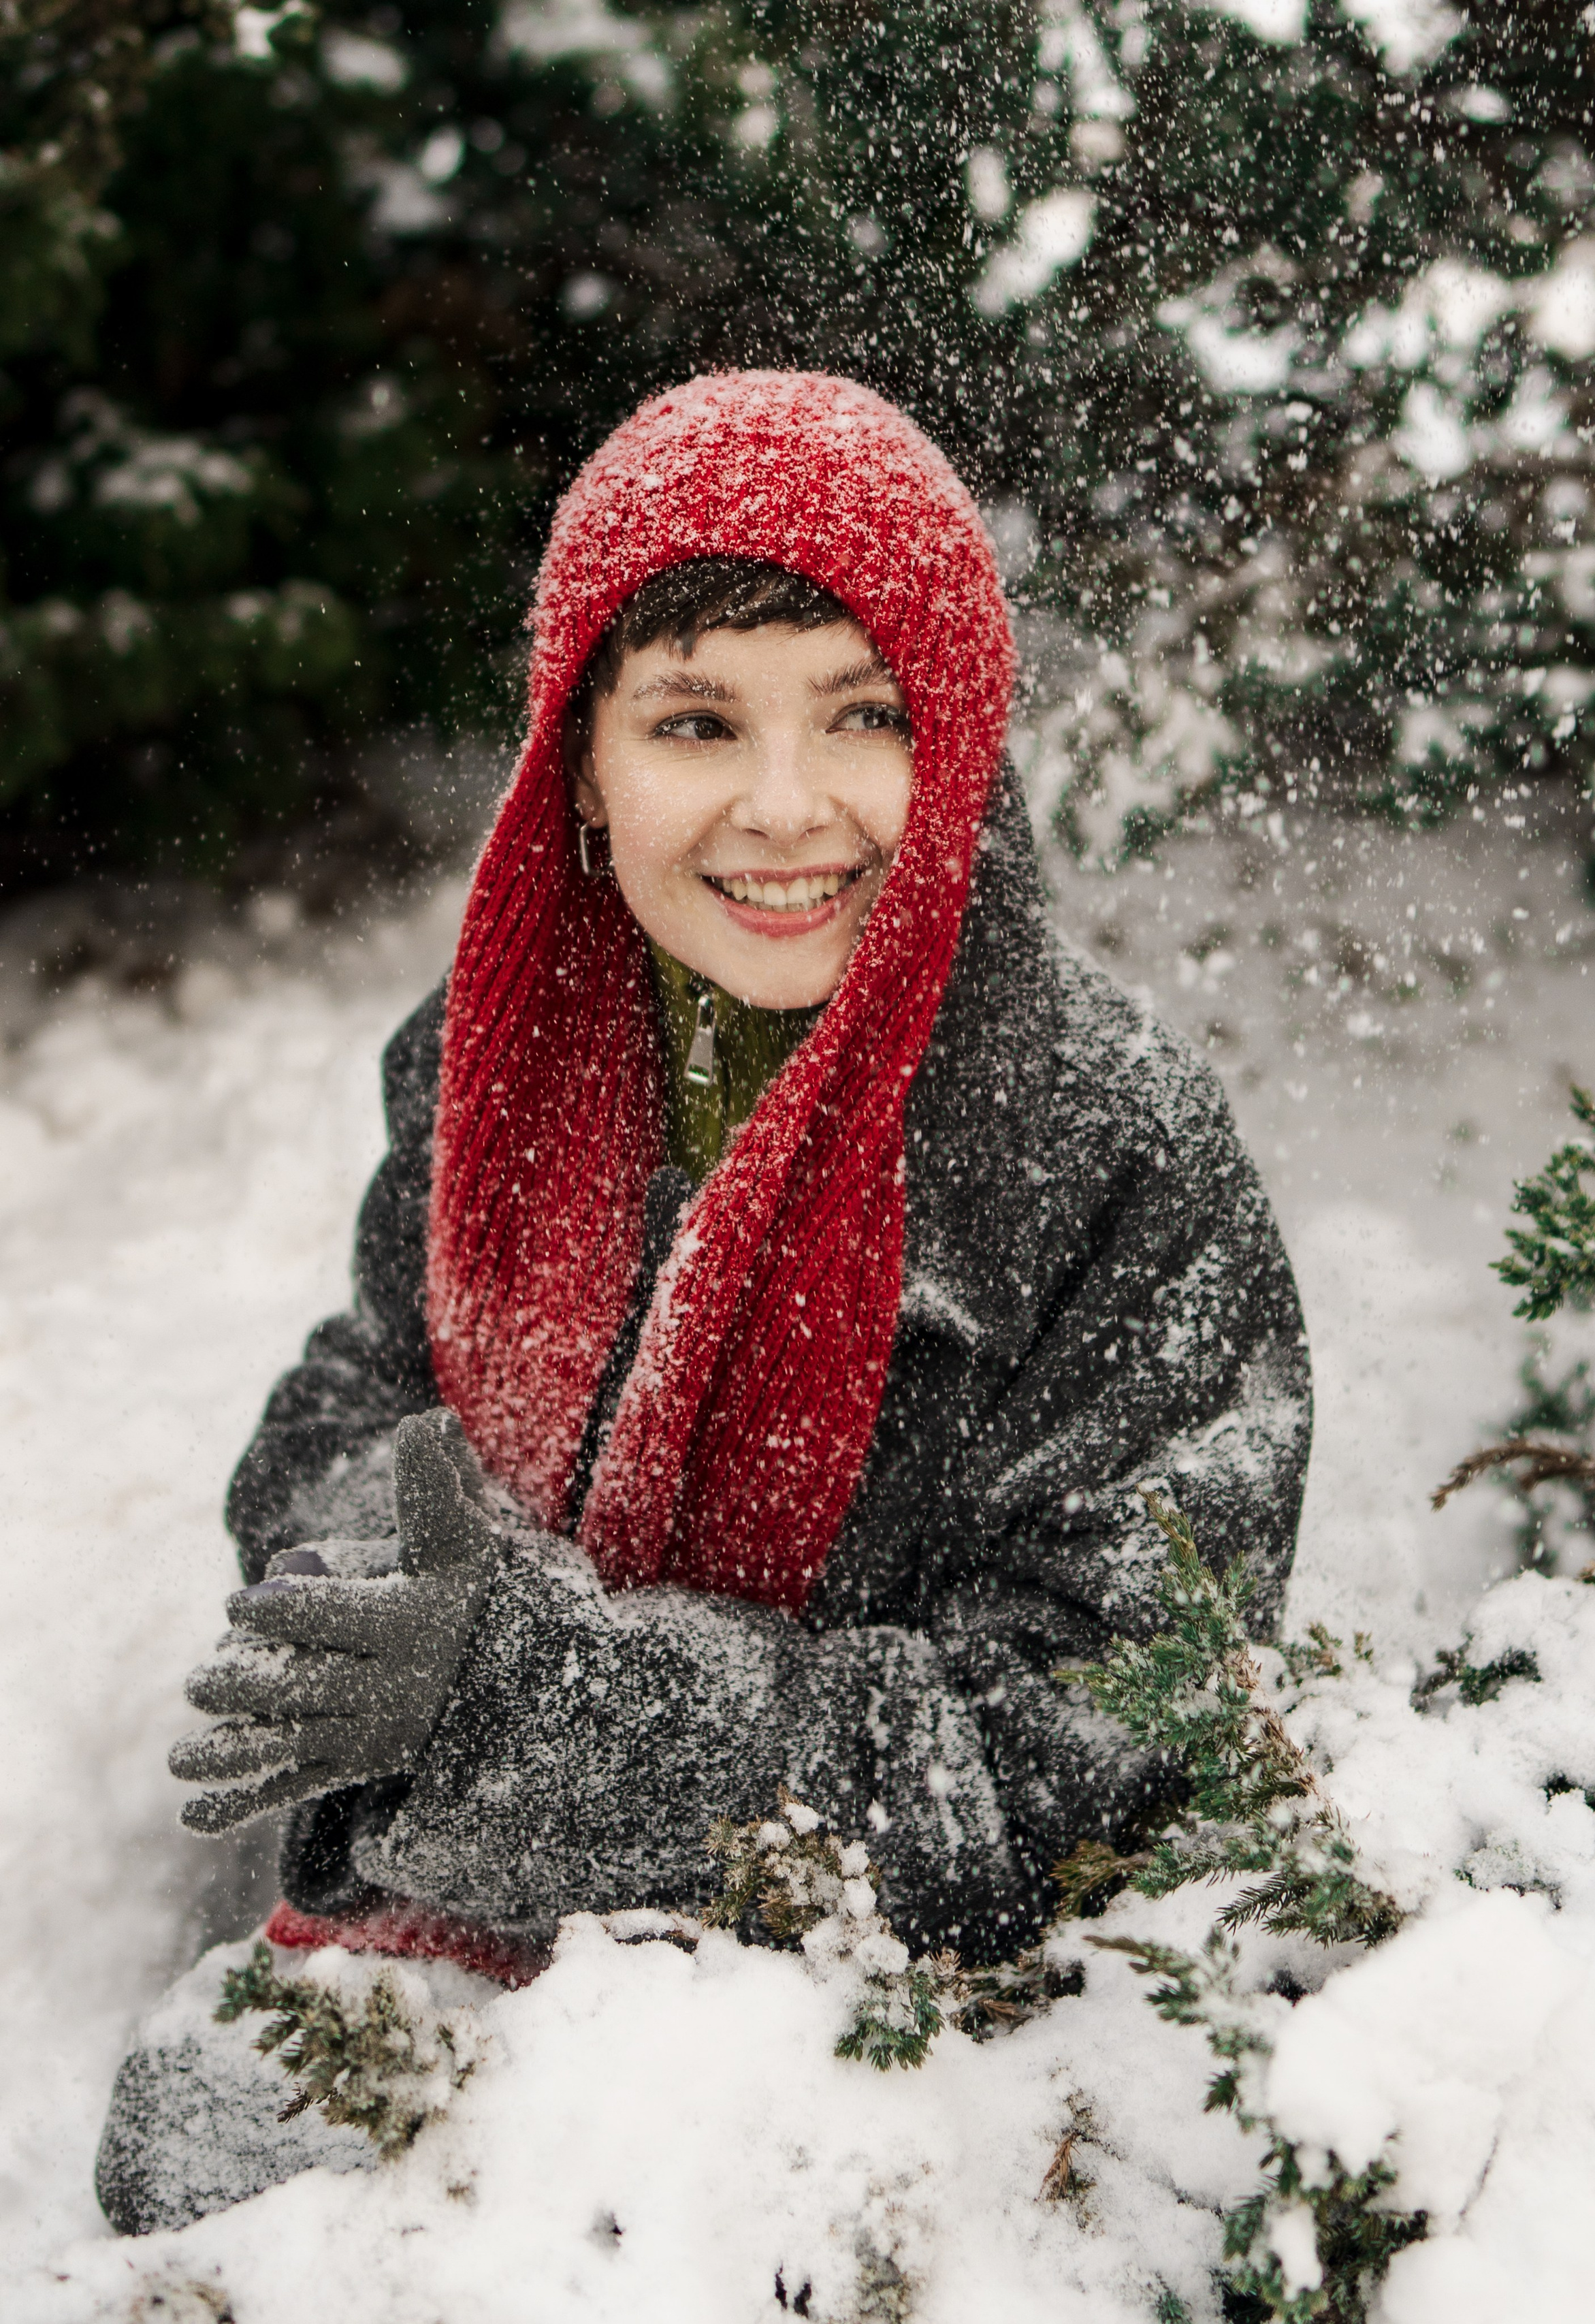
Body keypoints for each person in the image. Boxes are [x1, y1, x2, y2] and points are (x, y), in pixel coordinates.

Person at [96, 370, 1310, 2234]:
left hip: (866, 1996)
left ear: (963, 736)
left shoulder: (1101, 1156)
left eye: (863, 716)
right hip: (468, 1904)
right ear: (580, 756)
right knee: (193, 2159)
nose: (783, 808)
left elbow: (1103, 1744)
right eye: (691, 720)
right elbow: (372, 1376)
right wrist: (376, 1586)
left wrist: (558, 1701)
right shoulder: (494, 1058)